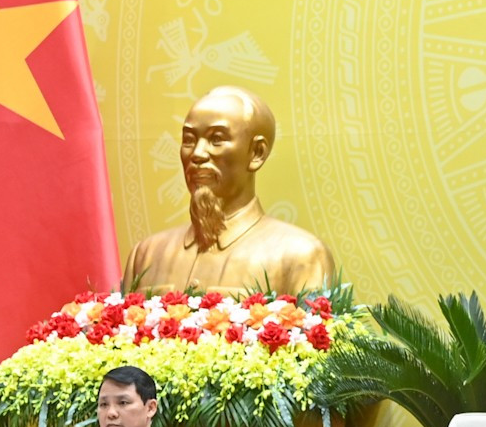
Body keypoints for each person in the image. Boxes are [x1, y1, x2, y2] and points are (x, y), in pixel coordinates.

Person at [125, 86, 335, 295]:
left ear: (256, 153)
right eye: (189, 140)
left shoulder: (300, 257)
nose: (197, 154)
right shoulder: (146, 256)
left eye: (216, 139)